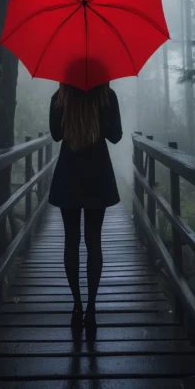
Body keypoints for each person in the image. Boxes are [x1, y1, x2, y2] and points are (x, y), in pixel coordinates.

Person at [48, 78, 123, 333]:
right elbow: (116, 136)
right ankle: (91, 308)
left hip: (68, 174)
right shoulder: (106, 96)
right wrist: (98, 116)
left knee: (71, 241)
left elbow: (56, 135)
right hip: (97, 175)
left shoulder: (60, 97)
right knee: (94, 241)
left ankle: (77, 305)